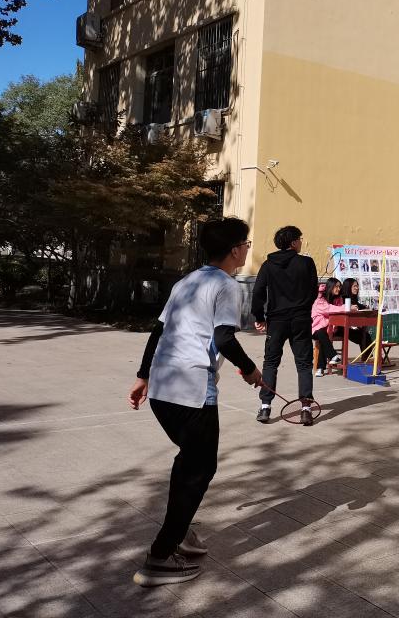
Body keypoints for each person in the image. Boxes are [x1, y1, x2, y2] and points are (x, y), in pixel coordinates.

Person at [127, 218, 263, 587]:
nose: (247, 249)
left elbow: (158, 330)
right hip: (192, 392)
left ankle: (180, 529)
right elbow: (224, 339)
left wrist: (143, 376)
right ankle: (160, 556)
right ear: (234, 250)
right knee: (199, 469)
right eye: (246, 244)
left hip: (162, 389)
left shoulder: (187, 281)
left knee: (191, 463)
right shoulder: (227, 285)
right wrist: (251, 370)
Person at [251, 225, 318, 426]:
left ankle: (265, 407)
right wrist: (303, 307)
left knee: (271, 362)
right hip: (300, 320)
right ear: (293, 242)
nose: (301, 242)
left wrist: (259, 316)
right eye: (300, 239)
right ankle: (306, 408)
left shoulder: (268, 265)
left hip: (276, 320)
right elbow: (313, 291)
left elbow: (258, 292)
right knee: (304, 363)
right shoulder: (306, 263)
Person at [312, 277, 344, 376]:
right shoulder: (320, 299)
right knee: (322, 334)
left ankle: (320, 368)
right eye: (336, 286)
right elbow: (329, 309)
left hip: (330, 328)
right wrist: (345, 307)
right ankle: (333, 355)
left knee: (324, 338)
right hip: (315, 328)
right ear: (330, 287)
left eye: (339, 287)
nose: (338, 289)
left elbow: (339, 311)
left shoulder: (338, 299)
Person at [340, 277, 373, 357]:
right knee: (363, 336)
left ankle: (367, 357)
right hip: (341, 328)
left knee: (365, 335)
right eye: (354, 286)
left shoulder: (354, 299)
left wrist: (366, 308)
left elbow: (358, 306)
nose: (357, 288)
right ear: (348, 287)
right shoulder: (342, 299)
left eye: (357, 286)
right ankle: (367, 357)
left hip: (351, 327)